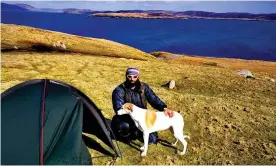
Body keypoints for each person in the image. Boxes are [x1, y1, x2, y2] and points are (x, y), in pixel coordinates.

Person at [111, 67, 174, 144]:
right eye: (129, 76)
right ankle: (125, 135)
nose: (132, 79)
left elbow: (153, 99)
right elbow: (118, 107)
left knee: (152, 140)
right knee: (125, 126)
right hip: (126, 118)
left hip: (143, 118)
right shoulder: (119, 90)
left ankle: (138, 132)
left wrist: (164, 108)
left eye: (135, 76)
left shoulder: (144, 87)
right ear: (126, 76)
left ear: (138, 76)